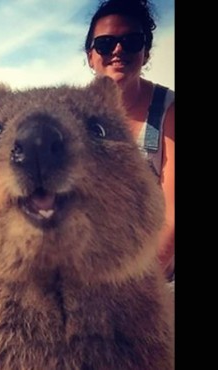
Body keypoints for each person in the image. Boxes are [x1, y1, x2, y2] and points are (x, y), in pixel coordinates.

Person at [85, 0, 174, 281]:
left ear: (145, 53)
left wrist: (132, 287)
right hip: (90, 265)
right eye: (105, 44)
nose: (118, 50)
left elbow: (171, 218)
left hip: (153, 271)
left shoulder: (169, 111)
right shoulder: (76, 112)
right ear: (91, 56)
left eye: (132, 41)